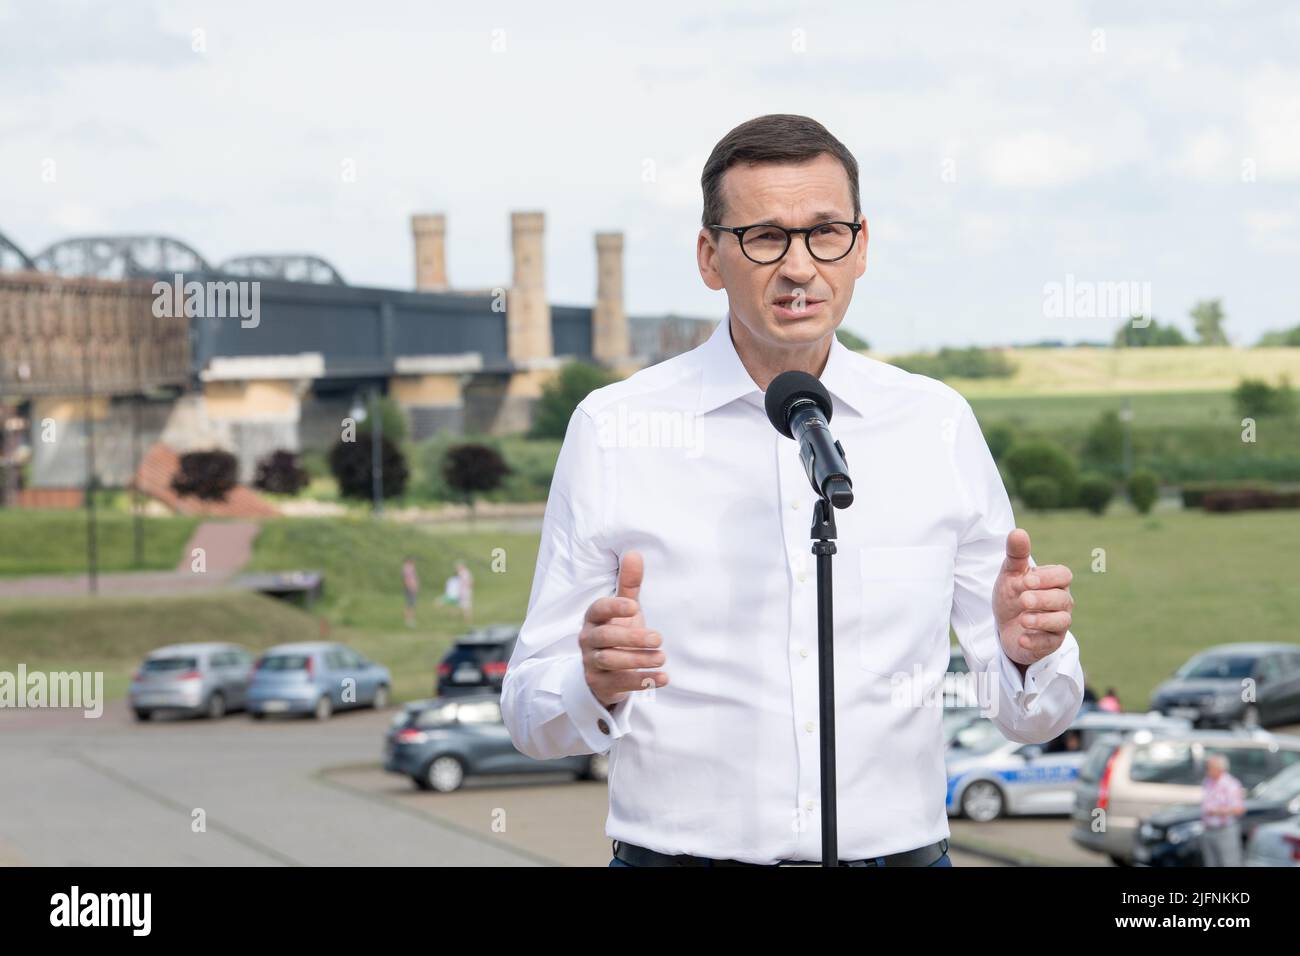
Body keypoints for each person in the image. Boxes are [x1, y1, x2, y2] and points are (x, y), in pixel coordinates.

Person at [500, 114, 1085, 868]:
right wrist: (591, 681)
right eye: (766, 237)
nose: (800, 266)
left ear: (861, 246)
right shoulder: (615, 429)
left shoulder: (935, 423)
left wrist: (1028, 655)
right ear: (711, 257)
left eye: (825, 234)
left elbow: (1030, 718)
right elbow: (527, 712)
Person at [1200, 753, 1246, 866]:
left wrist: (1217, 812)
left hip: (1224, 830)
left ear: (1219, 768)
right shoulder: (1207, 781)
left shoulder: (1231, 784)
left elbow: (1239, 809)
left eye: (1209, 767)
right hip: (1208, 828)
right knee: (1211, 863)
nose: (1207, 770)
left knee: (1229, 862)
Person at [401, 556, 419, 628]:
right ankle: (408, 620)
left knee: (411, 604)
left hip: (411, 588)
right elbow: (407, 580)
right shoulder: (407, 569)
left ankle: (410, 619)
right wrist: (410, 587)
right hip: (410, 588)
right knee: (409, 604)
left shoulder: (409, 569)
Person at [455, 559, 473, 624]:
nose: (456, 569)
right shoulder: (462, 573)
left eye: (458, 567)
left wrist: (464, 591)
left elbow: (469, 583)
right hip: (463, 592)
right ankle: (465, 619)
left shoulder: (464, 573)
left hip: (465, 592)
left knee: (466, 606)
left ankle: (467, 620)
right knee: (462, 606)